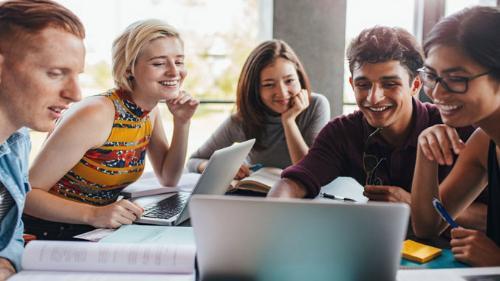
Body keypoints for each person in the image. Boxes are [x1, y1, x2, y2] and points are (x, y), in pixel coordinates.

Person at [268, 26, 484, 230]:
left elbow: (488, 217)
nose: (374, 97)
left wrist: (413, 204)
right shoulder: (341, 132)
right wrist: (270, 218)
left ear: (415, 85)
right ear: (352, 84)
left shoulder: (458, 129)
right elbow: (294, 182)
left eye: (390, 84)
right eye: (363, 85)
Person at [24, 19, 199, 240]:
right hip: (47, 233)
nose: (175, 72)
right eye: (159, 63)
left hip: (93, 230)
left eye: (179, 61)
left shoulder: (149, 111)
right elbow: (27, 195)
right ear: (129, 68)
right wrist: (94, 214)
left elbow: (169, 178)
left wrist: (182, 123)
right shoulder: (96, 114)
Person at [0, 0, 85, 278]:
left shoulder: (17, 140)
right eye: (56, 73)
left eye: (76, 76)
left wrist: (7, 262)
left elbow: (10, 236)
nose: (75, 94)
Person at [411, 6, 500, 266]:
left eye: (456, 78)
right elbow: (428, 226)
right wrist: (425, 151)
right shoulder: (484, 142)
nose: (437, 93)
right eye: (432, 76)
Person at [187, 39, 330, 180]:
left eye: (289, 81)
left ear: (299, 78)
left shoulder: (316, 105)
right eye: (269, 84)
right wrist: (221, 168)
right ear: (255, 89)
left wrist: (289, 121)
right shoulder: (242, 120)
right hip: (256, 197)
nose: (282, 92)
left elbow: (310, 170)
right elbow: (194, 161)